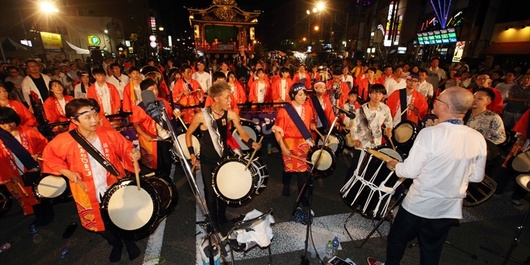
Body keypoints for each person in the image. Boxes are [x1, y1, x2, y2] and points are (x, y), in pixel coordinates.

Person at [368, 87, 487, 265]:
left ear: (446, 106)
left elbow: (409, 172)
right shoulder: (477, 137)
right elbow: (477, 177)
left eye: (438, 99)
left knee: (397, 239)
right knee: (432, 249)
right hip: (448, 207)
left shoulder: (430, 133)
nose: (434, 101)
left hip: (420, 204)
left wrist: (395, 165)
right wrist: (454, 171)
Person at [42, 98, 142, 262]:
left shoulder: (108, 132)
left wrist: (133, 154)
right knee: (99, 223)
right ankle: (115, 243)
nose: (94, 120)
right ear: (74, 120)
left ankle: (129, 242)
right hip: (86, 189)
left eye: (95, 114)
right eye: (87, 117)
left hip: (113, 183)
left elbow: (126, 147)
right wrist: (66, 171)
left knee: (122, 215)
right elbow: (49, 157)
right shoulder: (65, 140)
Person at [185, 81, 261, 230]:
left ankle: (222, 218)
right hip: (207, 161)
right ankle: (213, 223)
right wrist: (192, 154)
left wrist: (252, 143)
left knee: (223, 190)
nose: (230, 100)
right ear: (216, 98)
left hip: (224, 159)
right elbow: (188, 134)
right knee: (211, 193)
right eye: (226, 97)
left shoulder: (231, 114)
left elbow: (242, 133)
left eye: (230, 97)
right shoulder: (202, 116)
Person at [0, 107, 50, 219]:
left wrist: (38, 154)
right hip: (13, 172)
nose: (7, 127)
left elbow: (43, 144)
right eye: (3, 125)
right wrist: (9, 176)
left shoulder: (28, 131)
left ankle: (45, 211)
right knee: (25, 195)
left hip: (33, 167)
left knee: (39, 192)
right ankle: (33, 214)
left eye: (10, 123)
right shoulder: (1, 137)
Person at [272, 83, 315, 206]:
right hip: (288, 143)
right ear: (293, 95)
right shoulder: (284, 111)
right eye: (300, 95)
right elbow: (278, 131)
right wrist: (283, 147)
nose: (303, 97)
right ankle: (286, 185)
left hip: (303, 143)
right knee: (288, 170)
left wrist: (311, 126)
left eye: (304, 94)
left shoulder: (308, 108)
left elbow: (309, 124)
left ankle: (302, 197)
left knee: (303, 172)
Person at [130, 79, 175, 179]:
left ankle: (168, 180)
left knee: (167, 161)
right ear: (144, 93)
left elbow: (170, 116)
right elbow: (136, 125)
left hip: (165, 137)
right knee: (156, 163)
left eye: (156, 88)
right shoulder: (139, 108)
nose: (155, 92)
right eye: (151, 89)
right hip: (151, 140)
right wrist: (146, 136)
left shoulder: (162, 101)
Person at [350, 84, 392, 149]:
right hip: (361, 142)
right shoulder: (360, 110)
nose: (377, 96)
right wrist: (355, 139)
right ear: (369, 94)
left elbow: (389, 122)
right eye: (375, 93)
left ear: (383, 96)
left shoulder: (385, 109)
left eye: (380, 93)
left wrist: (389, 130)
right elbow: (353, 126)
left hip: (376, 142)